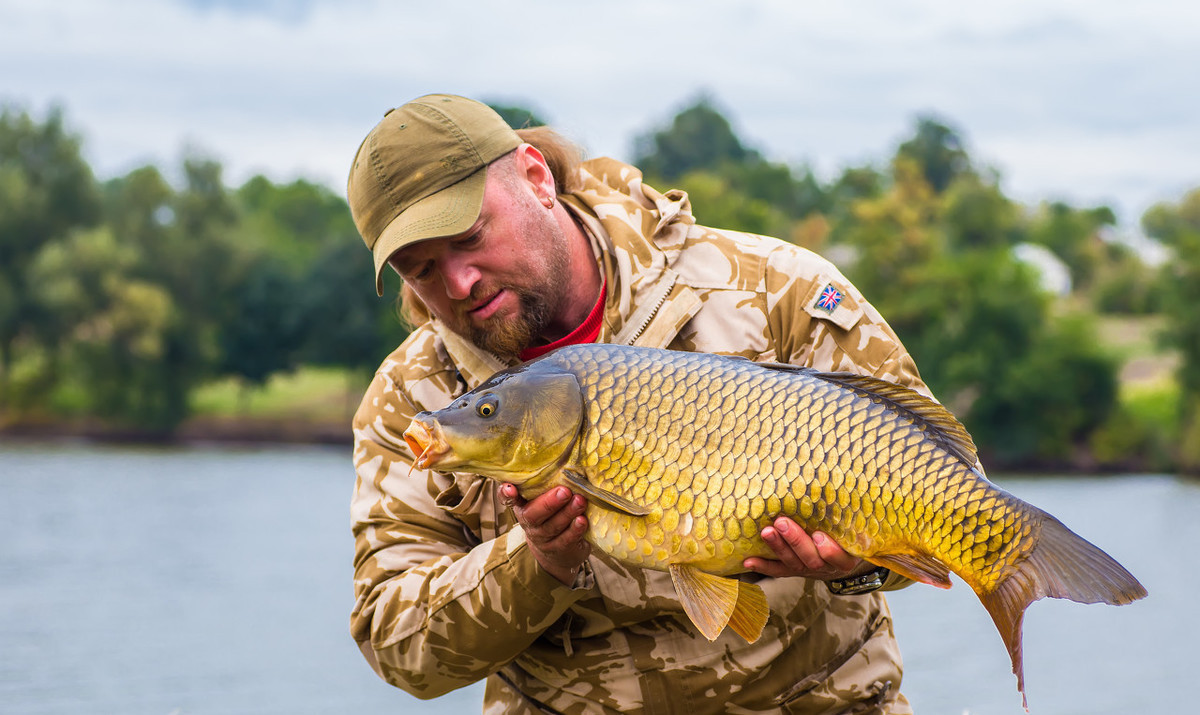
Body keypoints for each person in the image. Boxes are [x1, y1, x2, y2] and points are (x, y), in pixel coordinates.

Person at [346, 93, 931, 714]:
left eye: (469, 238)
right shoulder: (413, 397)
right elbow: (396, 646)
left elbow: (942, 498)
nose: (459, 283)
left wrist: (851, 566)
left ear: (536, 177)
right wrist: (536, 561)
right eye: (421, 269)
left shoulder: (774, 289)